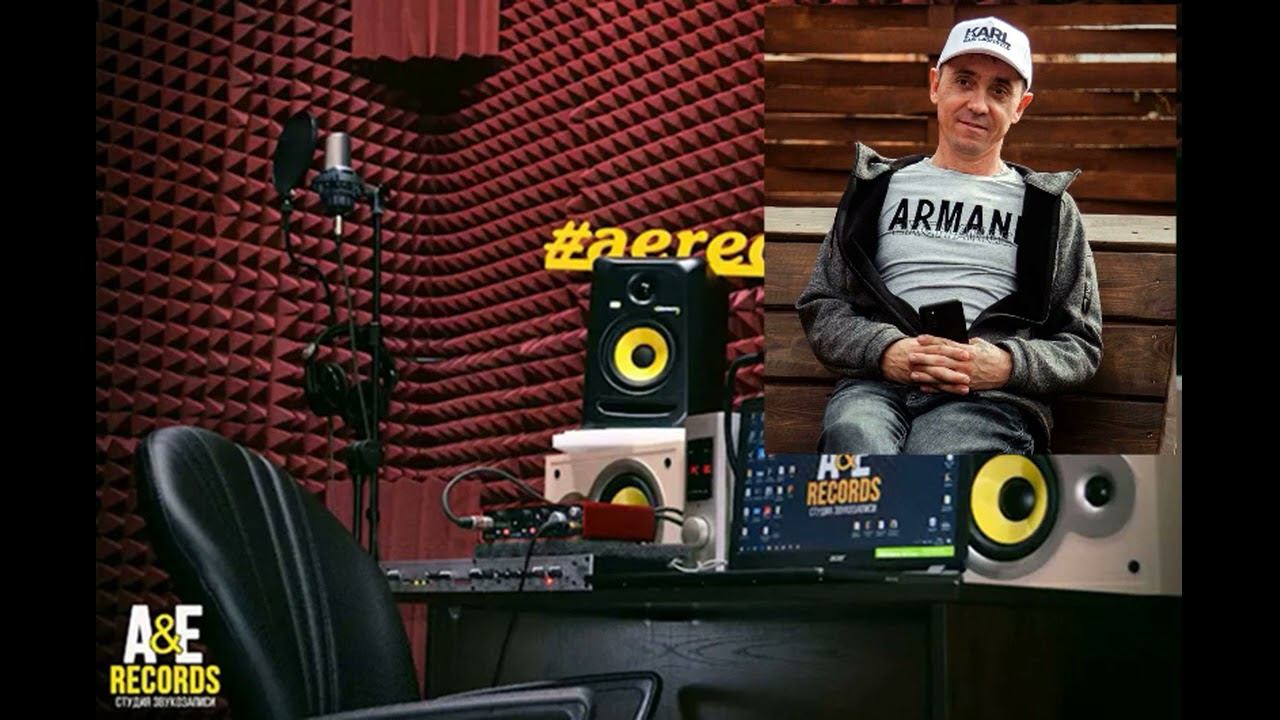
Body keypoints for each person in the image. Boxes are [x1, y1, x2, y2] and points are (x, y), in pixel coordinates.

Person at [795, 16, 1102, 455]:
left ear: (1020, 107)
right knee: (855, 437)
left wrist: (1006, 364)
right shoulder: (875, 189)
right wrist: (886, 351)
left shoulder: (1048, 209)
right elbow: (823, 305)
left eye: (999, 91)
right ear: (935, 85)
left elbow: (1080, 345)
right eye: (964, 81)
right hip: (877, 389)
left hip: (987, 403)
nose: (978, 104)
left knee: (938, 458)